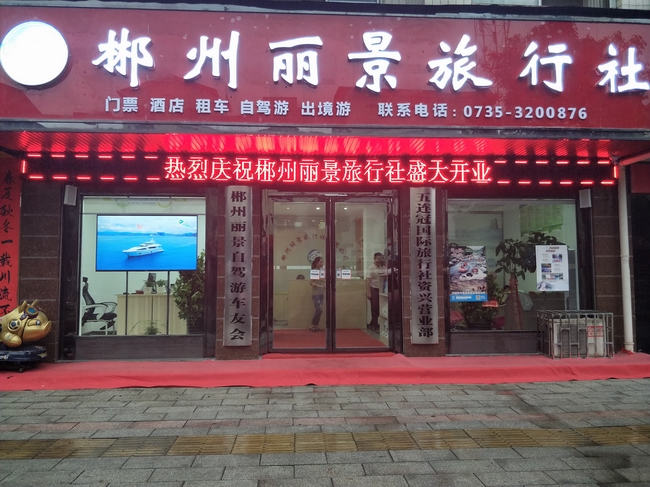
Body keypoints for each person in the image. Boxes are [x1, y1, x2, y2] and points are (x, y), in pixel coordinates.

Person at [366, 252, 386, 332]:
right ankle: (375, 325)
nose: (379, 260)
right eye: (378, 259)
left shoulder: (383, 268)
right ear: (374, 259)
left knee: (380, 308)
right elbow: (368, 281)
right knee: (374, 308)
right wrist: (368, 292)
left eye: (381, 259)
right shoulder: (371, 268)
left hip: (381, 290)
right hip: (373, 289)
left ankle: (372, 324)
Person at [310, 257, 325, 332]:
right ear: (316, 263)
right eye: (320, 262)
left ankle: (316, 325)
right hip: (316, 294)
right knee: (319, 309)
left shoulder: (322, 271)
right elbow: (311, 283)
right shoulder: (314, 271)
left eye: (322, 262)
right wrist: (320, 286)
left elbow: (323, 281)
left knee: (320, 310)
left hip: (321, 293)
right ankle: (312, 325)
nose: (322, 263)